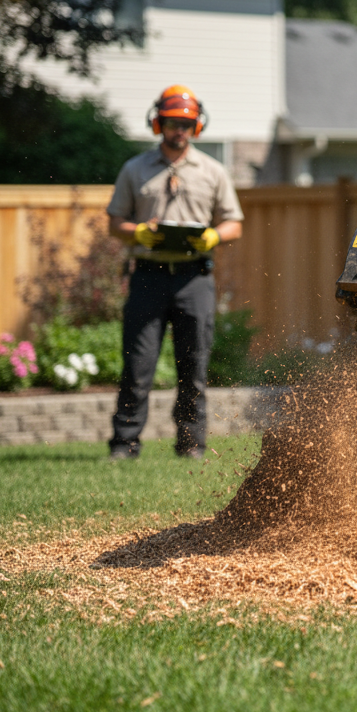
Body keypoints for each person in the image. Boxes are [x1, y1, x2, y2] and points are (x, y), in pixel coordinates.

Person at [106, 86, 243, 459]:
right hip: (148, 276)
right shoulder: (135, 169)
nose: (178, 130)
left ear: (196, 127)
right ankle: (124, 444)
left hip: (194, 279)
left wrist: (214, 235)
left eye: (185, 124)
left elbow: (234, 223)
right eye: (171, 123)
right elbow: (114, 222)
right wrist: (138, 232)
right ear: (158, 123)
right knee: (138, 364)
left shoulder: (213, 171)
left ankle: (191, 444)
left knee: (194, 364)